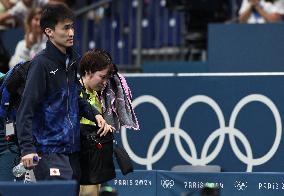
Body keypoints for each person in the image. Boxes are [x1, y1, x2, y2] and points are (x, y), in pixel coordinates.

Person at [16, 3, 106, 182]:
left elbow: (74, 99)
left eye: (72, 27)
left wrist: (94, 114)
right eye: (65, 28)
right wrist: (27, 149)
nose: (71, 33)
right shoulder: (40, 65)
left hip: (72, 151)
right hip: (48, 152)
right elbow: (25, 110)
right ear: (49, 32)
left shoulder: (73, 61)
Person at [79, 49, 116, 196]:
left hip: (93, 162)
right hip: (77, 162)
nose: (105, 82)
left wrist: (104, 127)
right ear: (88, 72)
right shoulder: (74, 93)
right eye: (102, 77)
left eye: (107, 78)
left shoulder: (96, 95)